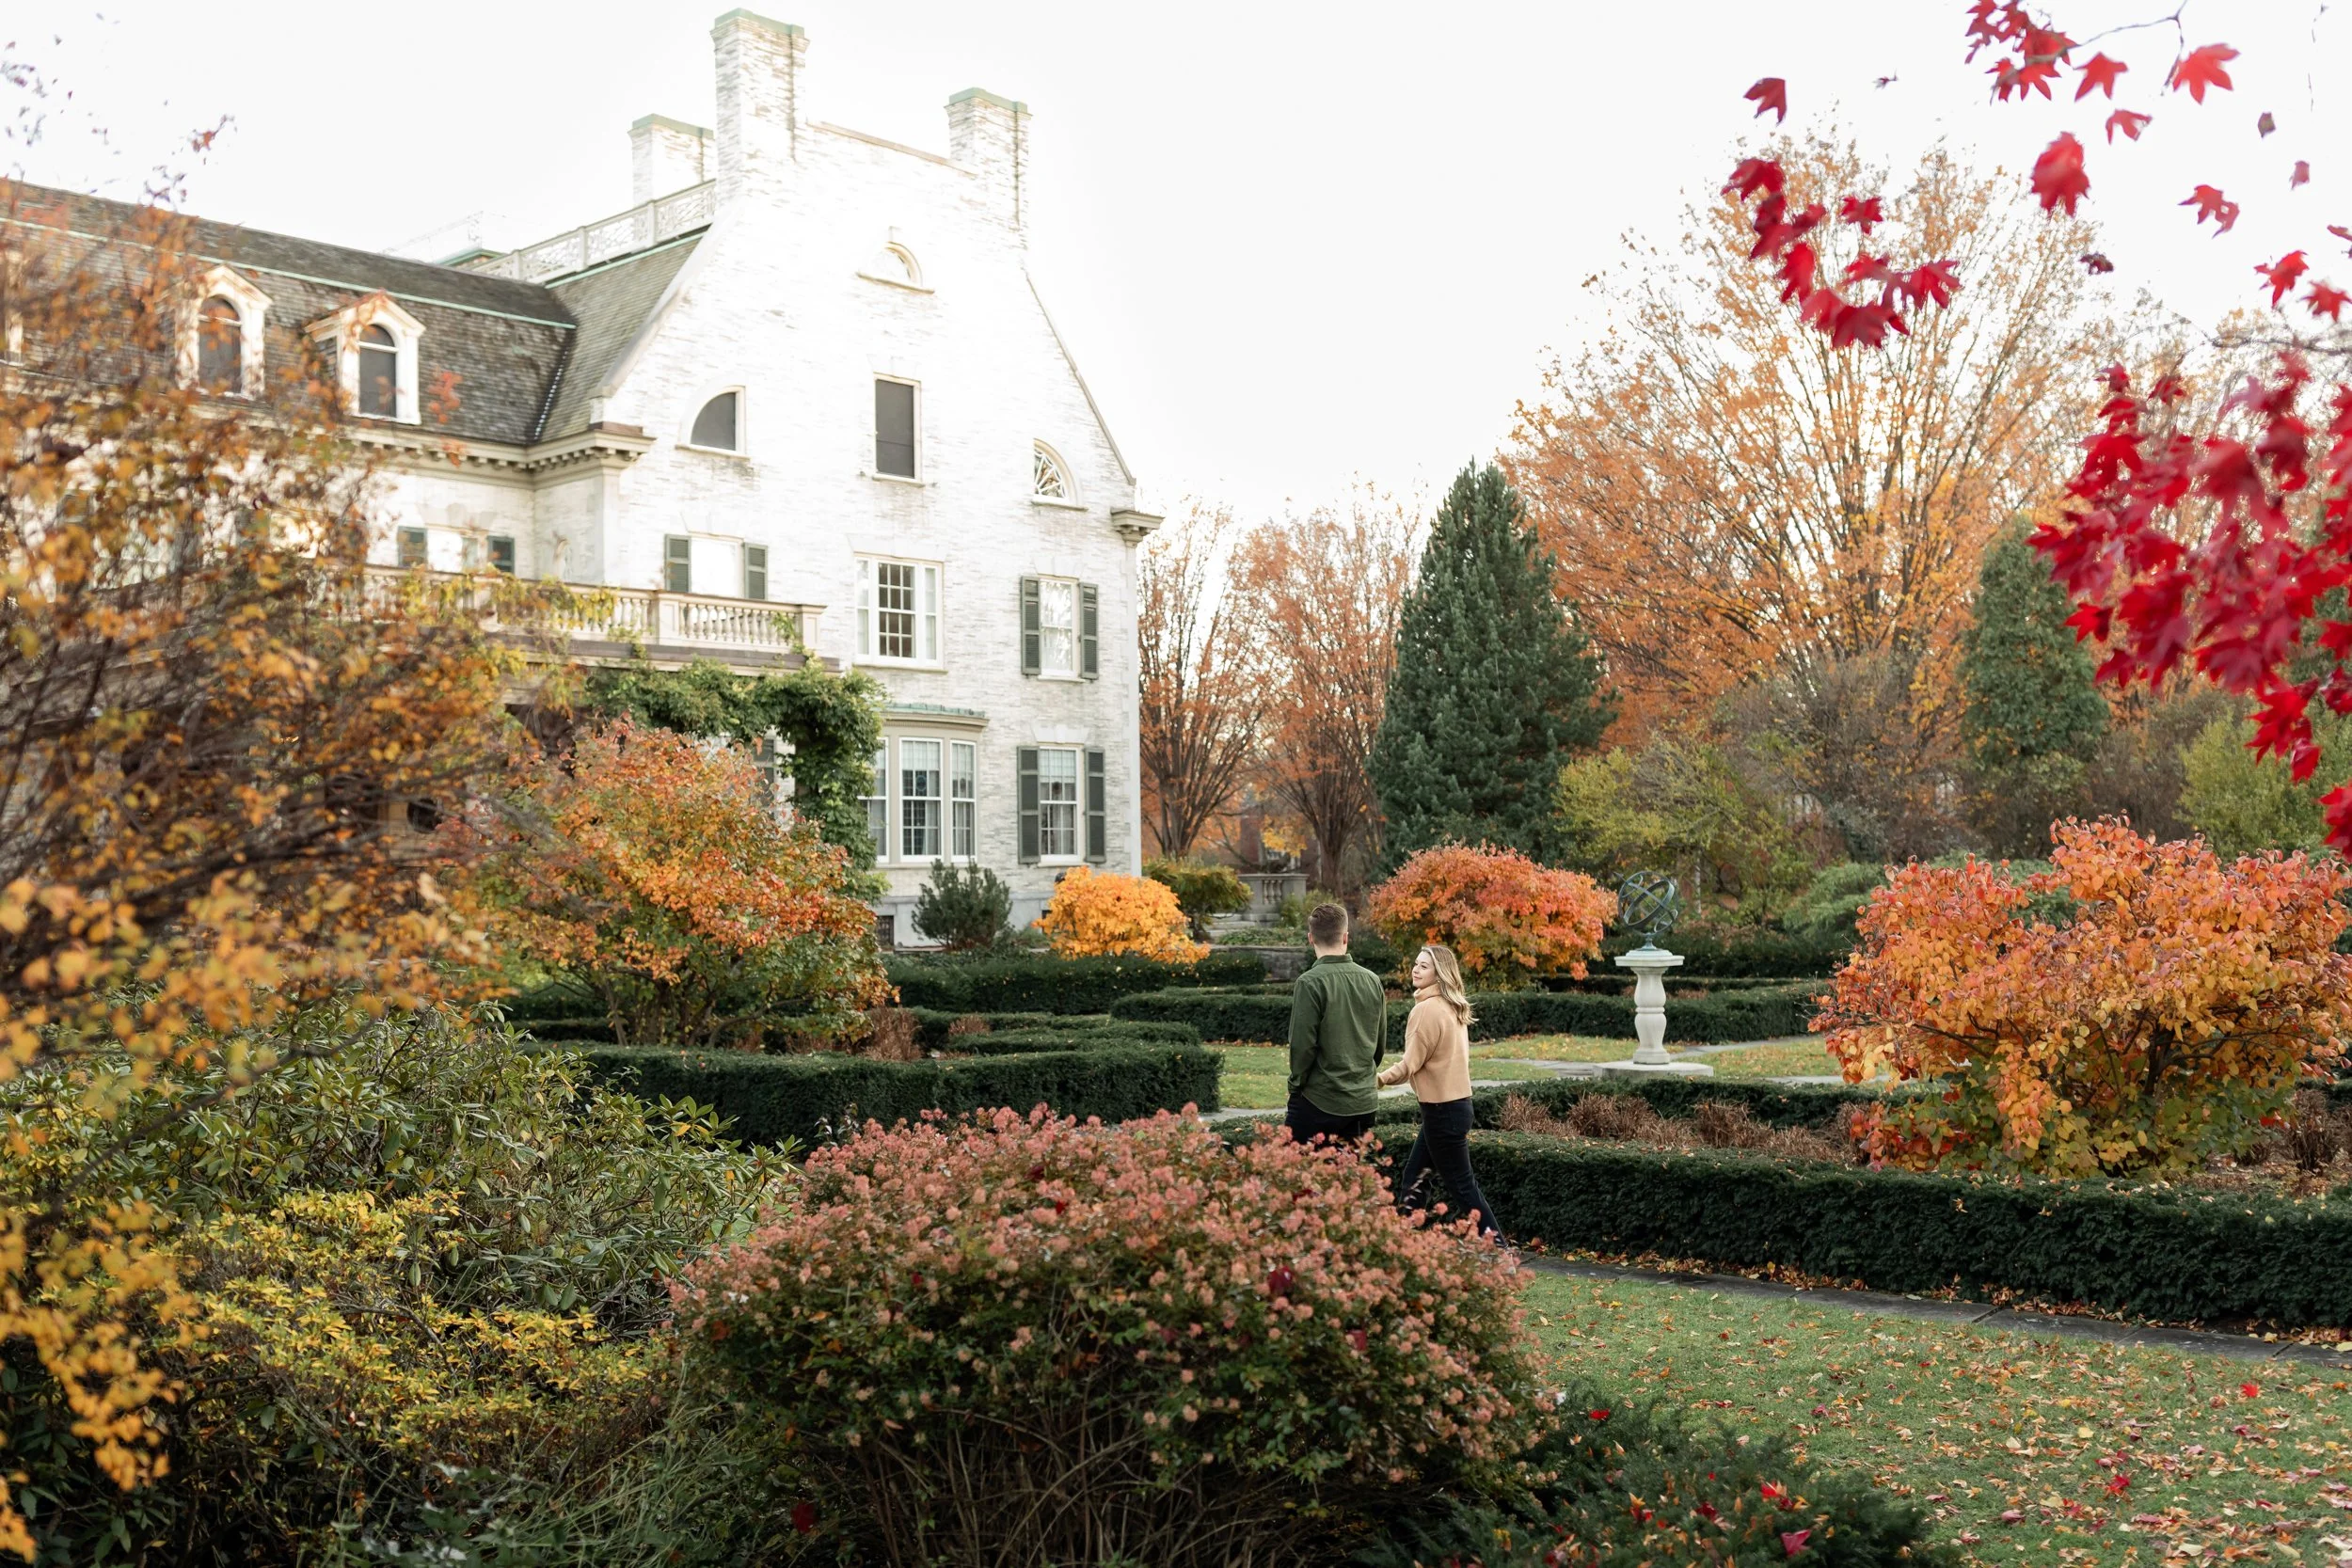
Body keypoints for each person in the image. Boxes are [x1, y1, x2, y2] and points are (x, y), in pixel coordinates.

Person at [1378, 943, 1500, 1239]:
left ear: (1439, 973)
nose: (1415, 970)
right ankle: (1402, 1243)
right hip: (1454, 1108)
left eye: (1424, 966)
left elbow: (1410, 1064)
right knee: (1416, 1178)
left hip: (1442, 1111)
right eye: (1416, 964)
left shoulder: (1426, 1010)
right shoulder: (1452, 1006)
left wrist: (1378, 1079)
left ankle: (1500, 1251)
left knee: (1462, 1186)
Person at [1283, 901, 1387, 1145]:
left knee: (1299, 1176)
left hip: (1320, 1100)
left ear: (1310, 938)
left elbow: (1302, 1046)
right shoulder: (1372, 980)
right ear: (1345, 937)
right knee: (1349, 1178)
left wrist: (1296, 1085)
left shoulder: (1310, 983)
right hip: (1363, 1101)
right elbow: (1379, 1045)